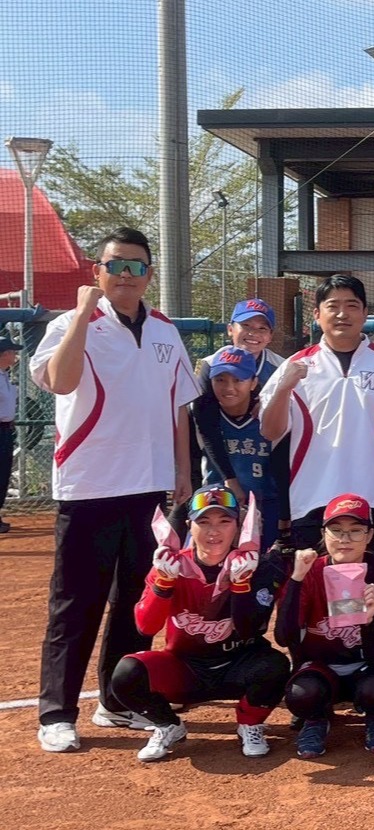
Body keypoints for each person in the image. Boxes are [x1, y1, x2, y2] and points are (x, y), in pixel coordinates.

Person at [31, 227, 199, 753]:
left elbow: (180, 408)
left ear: (149, 274)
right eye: (116, 265)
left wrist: (182, 472)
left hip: (149, 487)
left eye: (136, 266)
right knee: (75, 602)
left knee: (136, 599)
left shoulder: (166, 331)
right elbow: (60, 381)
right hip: (89, 484)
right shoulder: (68, 324)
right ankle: (56, 713)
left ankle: (116, 701)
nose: (126, 275)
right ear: (96, 271)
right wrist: (84, 313)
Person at [110, 486, 290, 761]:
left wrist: (241, 586)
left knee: (275, 665)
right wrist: (163, 583)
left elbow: (250, 629)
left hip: (238, 665)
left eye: (224, 521)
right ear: (188, 526)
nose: (213, 531)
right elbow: (146, 626)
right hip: (187, 668)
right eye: (203, 522)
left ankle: (250, 723)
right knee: (127, 673)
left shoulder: (255, 566)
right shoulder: (171, 564)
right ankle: (168, 725)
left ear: (238, 526)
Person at [260, 274, 374, 560]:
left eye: (351, 306)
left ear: (365, 313)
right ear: (317, 314)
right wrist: (284, 388)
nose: (342, 314)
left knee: (369, 581)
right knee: (313, 582)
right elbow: (270, 432)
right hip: (312, 498)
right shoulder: (295, 366)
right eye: (333, 306)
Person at [276, 493, 374, 758]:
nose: (345, 539)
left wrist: (368, 623)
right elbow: (284, 636)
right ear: (324, 534)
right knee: (302, 693)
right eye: (336, 530)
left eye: (355, 530)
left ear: (369, 535)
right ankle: (316, 719)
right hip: (320, 667)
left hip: (366, 667)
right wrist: (296, 579)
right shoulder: (308, 572)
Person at [192, 299, 285, 505]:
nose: (253, 333)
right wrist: (230, 479)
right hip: (221, 474)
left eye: (262, 328)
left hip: (268, 480)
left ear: (270, 336)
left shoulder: (281, 368)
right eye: (246, 325)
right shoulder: (210, 365)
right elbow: (206, 426)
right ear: (230, 329)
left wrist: (273, 401)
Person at [195, 347, 288, 551]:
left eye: (238, 380)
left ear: (253, 382)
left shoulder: (269, 413)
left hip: (267, 500)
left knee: (265, 560)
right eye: (220, 379)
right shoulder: (203, 409)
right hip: (217, 502)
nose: (229, 387)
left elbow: (284, 465)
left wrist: (285, 514)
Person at [0, 336, 21, 532]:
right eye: (12, 352)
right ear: (3, 354)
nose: (15, 355)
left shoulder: (4, 375)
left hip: (6, 430)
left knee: (3, 473)